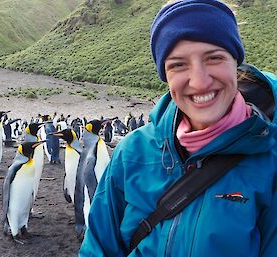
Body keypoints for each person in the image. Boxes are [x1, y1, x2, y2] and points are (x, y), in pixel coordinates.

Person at [79, 0, 277, 256]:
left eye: (214, 58)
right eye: (178, 64)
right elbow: (97, 249)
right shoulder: (132, 153)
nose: (199, 81)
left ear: (235, 61)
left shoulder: (269, 158)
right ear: (165, 74)